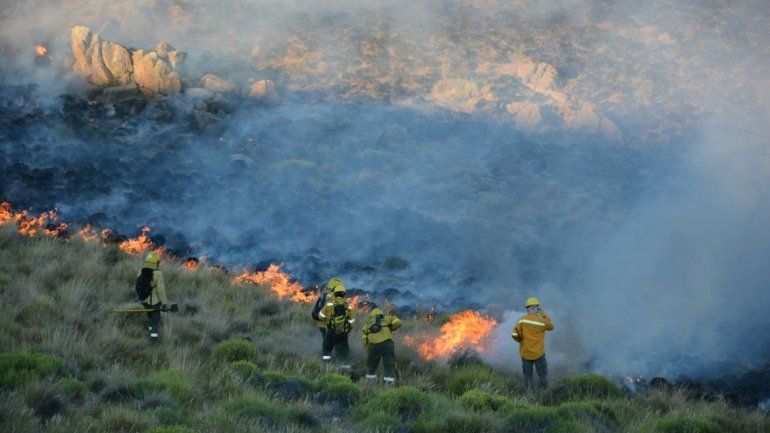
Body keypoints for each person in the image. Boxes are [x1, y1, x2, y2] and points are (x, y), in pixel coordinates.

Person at [512, 297, 554, 390]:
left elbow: (514, 334)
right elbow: (551, 326)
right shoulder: (542, 322)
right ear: (536, 309)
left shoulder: (522, 320)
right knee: (542, 375)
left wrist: (519, 339)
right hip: (538, 354)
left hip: (526, 353)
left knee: (528, 376)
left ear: (528, 309)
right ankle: (543, 393)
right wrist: (544, 314)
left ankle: (529, 395)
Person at [362, 304, 402, 384]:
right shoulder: (386, 318)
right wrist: (392, 327)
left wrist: (367, 349)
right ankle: (389, 384)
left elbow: (364, 338)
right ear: (381, 313)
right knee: (389, 365)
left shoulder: (368, 322)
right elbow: (398, 323)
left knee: (371, 365)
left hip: (373, 346)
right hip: (387, 345)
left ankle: (369, 383)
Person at [136, 251, 170, 343]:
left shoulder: (141, 271)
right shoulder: (158, 273)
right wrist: (164, 304)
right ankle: (153, 340)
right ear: (156, 263)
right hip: (154, 302)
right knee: (155, 320)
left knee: (150, 317)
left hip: (143, 301)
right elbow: (161, 290)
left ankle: (149, 331)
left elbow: (139, 285)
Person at [319, 284, 355, 369]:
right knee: (343, 353)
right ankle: (345, 372)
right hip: (343, 334)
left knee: (326, 349)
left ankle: (326, 367)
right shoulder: (349, 307)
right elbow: (352, 323)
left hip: (330, 332)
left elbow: (320, 316)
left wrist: (327, 320)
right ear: (344, 294)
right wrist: (347, 330)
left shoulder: (329, 304)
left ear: (334, 294)